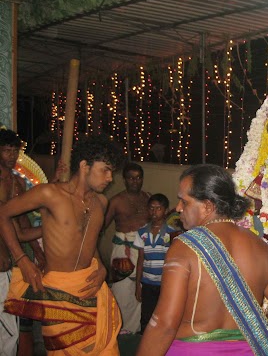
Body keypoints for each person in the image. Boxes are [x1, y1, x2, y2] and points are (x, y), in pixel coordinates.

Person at [136, 164, 268, 356]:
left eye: (184, 201)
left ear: (207, 206)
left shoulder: (184, 247)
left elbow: (164, 325)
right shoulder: (261, 247)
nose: (178, 208)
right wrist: (246, 333)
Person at [0, 135, 124, 355]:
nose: (110, 178)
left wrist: (102, 267)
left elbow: (89, 242)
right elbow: (3, 214)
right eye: (105, 170)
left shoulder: (102, 203)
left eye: (111, 171)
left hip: (90, 288)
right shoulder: (50, 194)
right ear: (84, 165)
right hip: (58, 292)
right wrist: (22, 258)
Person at [0, 128, 44, 356]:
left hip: (9, 262)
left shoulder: (18, 183)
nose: (11, 156)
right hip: (6, 257)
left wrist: (49, 230)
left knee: (10, 329)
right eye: (6, 150)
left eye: (14, 151)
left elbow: (22, 227)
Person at [103, 162, 151, 334]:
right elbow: (101, 226)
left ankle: (136, 328)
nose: (135, 181)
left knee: (141, 289)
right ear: (124, 180)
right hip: (122, 249)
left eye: (138, 178)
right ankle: (119, 328)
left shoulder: (148, 197)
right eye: (131, 178)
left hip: (143, 250)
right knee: (121, 289)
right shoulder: (116, 201)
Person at [134, 193, 176, 334]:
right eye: (151, 208)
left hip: (164, 284)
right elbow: (141, 259)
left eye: (158, 208)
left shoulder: (171, 233)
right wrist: (138, 285)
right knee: (146, 317)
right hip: (147, 283)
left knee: (163, 317)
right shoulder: (141, 233)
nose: (154, 212)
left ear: (165, 210)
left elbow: (173, 261)